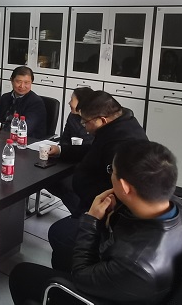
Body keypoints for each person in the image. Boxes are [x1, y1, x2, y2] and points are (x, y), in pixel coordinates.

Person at [9, 141, 182, 305]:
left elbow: (81, 275)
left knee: (22, 274)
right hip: (140, 285)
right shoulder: (179, 207)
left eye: (112, 171)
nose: (110, 176)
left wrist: (92, 221)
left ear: (125, 187)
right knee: (63, 248)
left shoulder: (136, 263)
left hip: (117, 290)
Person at [48, 90, 148, 271]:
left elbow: (119, 191)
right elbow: (93, 151)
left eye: (85, 121)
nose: (84, 126)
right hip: (89, 202)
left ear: (102, 120)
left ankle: (67, 280)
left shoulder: (122, 141)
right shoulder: (117, 125)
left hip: (104, 212)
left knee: (59, 234)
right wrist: (62, 150)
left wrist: (93, 214)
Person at [44, 87, 94, 213]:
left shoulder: (93, 122)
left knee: (65, 184)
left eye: (72, 100)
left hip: (85, 164)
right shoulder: (73, 116)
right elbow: (65, 139)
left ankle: (82, 215)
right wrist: (60, 149)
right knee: (46, 177)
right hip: (68, 158)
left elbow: (90, 149)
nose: (69, 103)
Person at [0, 66, 46, 137]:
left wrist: (1, 134)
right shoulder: (5, 97)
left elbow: (24, 129)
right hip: (3, 136)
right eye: (18, 82)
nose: (22, 86)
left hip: (26, 139)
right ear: (12, 81)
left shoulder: (36, 103)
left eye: (26, 83)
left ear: (31, 82)